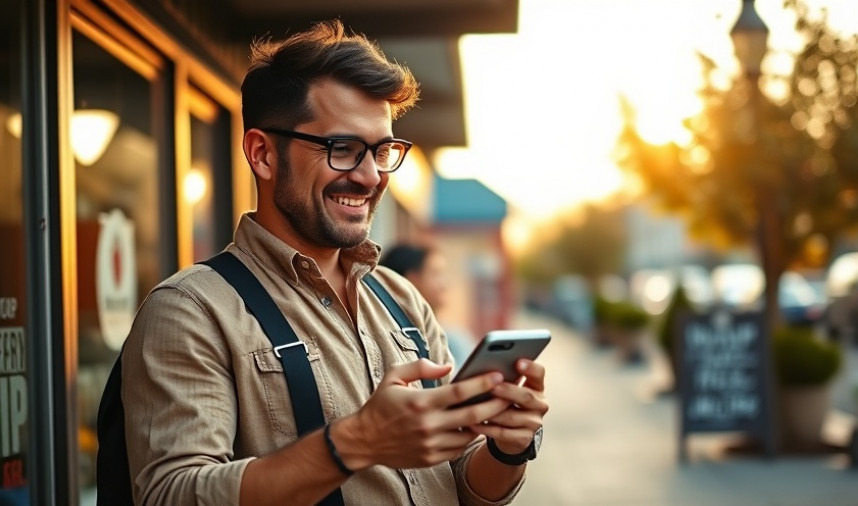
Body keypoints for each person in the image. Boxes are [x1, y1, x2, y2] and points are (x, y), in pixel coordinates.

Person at [120, 19, 548, 505]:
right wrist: (357, 441)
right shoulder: (191, 310)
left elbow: (459, 484)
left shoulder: (402, 299)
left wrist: (506, 449)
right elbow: (170, 495)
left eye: (382, 150)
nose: (370, 177)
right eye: (342, 149)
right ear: (262, 154)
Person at [380, 243, 476, 371]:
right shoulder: (389, 338)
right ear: (411, 279)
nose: (445, 284)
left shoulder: (452, 337)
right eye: (436, 274)